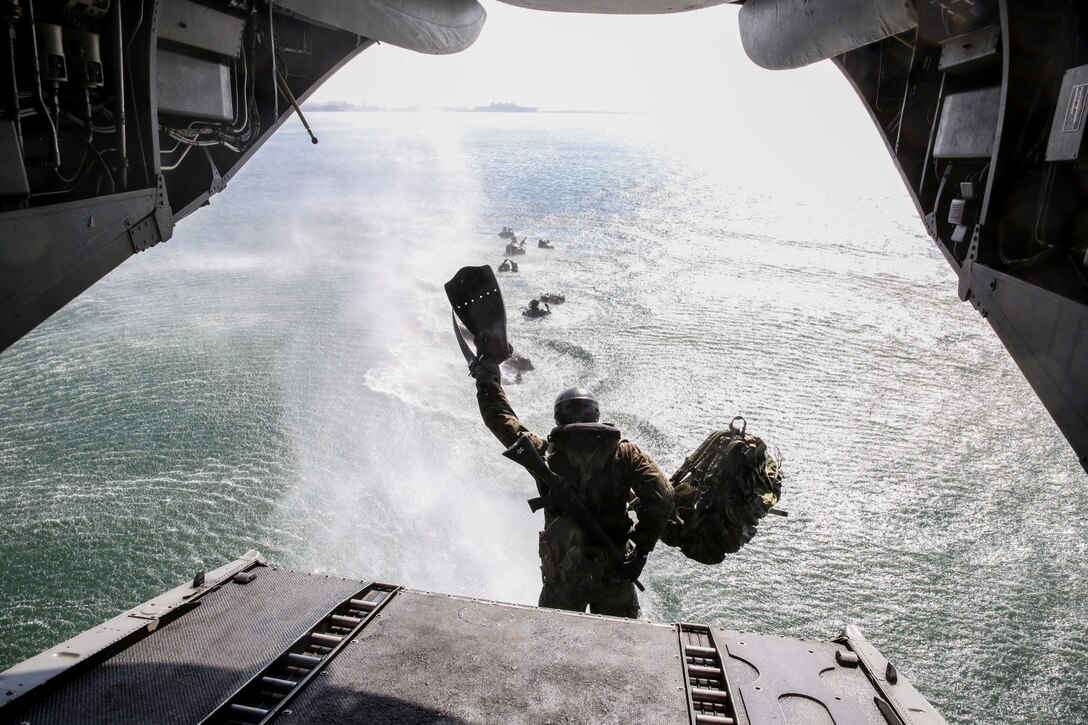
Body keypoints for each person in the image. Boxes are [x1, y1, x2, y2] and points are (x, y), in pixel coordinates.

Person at [471, 364, 673, 618]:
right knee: (623, 645)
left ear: (558, 418)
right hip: (615, 570)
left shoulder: (545, 454)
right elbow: (663, 495)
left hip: (564, 576)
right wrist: (641, 551)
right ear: (596, 415)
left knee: (551, 642)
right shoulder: (626, 453)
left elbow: (499, 417)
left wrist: (486, 374)